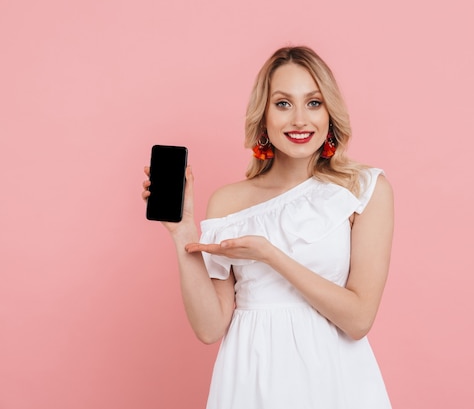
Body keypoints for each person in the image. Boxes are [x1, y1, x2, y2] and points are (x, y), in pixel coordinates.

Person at [142, 46, 394, 409]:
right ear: (263, 116)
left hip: (334, 380)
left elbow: (358, 320)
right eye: (282, 103)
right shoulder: (228, 201)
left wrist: (270, 255)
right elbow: (210, 328)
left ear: (330, 113)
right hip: (250, 379)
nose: (299, 120)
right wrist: (182, 232)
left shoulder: (364, 189)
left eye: (313, 103)